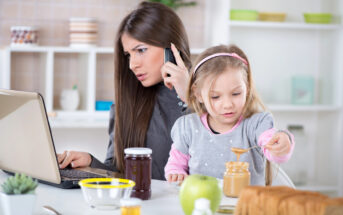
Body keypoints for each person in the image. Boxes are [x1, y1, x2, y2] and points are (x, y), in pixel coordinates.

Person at [57, 1, 192, 180]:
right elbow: (119, 172)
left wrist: (190, 98)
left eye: (141, 50)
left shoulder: (210, 100)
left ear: (171, 48)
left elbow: (217, 162)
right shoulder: (128, 102)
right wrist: (91, 162)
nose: (132, 64)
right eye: (128, 54)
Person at [165, 44, 295, 185]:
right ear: (198, 93)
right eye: (215, 97)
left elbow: (272, 148)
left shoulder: (256, 124)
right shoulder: (187, 127)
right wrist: (176, 173)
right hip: (201, 204)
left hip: (245, 205)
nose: (227, 104)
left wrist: (281, 144)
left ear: (247, 87)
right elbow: (176, 164)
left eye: (236, 94)